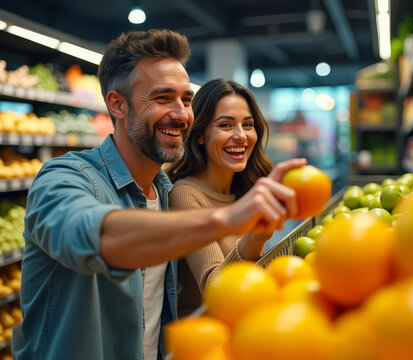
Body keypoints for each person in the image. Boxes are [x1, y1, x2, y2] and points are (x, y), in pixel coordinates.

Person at [11, 29, 306, 360]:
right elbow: (97, 236)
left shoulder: (167, 195)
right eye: (163, 98)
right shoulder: (64, 180)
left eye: (186, 99)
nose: (181, 114)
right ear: (117, 105)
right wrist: (228, 218)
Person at [166, 79, 274, 316]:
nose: (241, 136)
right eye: (225, 125)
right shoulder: (185, 196)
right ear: (201, 134)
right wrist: (254, 238)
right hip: (204, 342)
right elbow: (215, 287)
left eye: (248, 125)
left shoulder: (248, 189)